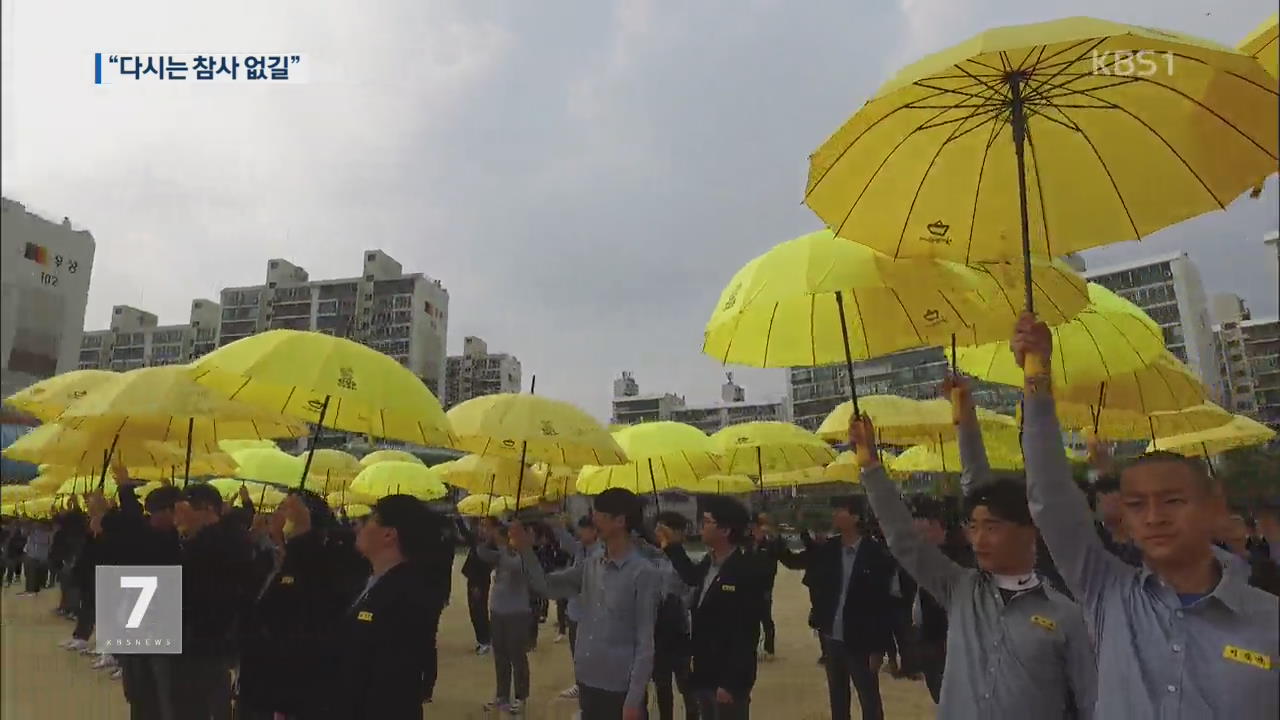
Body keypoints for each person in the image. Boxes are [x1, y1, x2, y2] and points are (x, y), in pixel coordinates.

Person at [1015, 313, 1280, 718]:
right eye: (1137, 505)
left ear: (1214, 506)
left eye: (1173, 500)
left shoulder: (1268, 620)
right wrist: (1036, 379)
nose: (1154, 517)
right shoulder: (1107, 592)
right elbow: (1051, 499)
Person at [856, 372, 1097, 718]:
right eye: (973, 527)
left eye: (992, 527)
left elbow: (1091, 703)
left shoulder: (1066, 616)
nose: (979, 539)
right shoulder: (961, 589)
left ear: (1029, 531)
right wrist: (871, 469)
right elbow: (904, 539)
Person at [519, 488, 659, 720]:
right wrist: (525, 548)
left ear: (620, 521)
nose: (593, 520)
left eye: (599, 515)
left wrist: (634, 700)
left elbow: (645, 642)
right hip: (588, 679)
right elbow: (546, 586)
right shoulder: (591, 563)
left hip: (620, 688)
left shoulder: (643, 573)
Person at [776, 495, 895, 720]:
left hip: (862, 640)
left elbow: (882, 605)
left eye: (840, 510)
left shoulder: (875, 554)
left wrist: (879, 648)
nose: (834, 514)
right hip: (832, 637)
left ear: (855, 516)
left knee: (869, 698)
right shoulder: (829, 549)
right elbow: (796, 562)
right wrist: (775, 541)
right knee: (838, 698)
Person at [237, 491, 351, 719]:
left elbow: (297, 610)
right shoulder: (269, 555)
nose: (276, 515)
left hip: (291, 678)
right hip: (259, 673)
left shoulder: (319, 560)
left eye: (285, 508)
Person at [333, 494, 441, 719]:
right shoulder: (370, 582)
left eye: (371, 518)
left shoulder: (407, 595)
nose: (361, 525)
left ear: (389, 534)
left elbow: (392, 685)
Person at [659, 495, 764, 720]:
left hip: (727, 679)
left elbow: (746, 634)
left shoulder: (745, 571)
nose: (701, 527)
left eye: (706, 521)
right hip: (705, 670)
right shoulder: (710, 562)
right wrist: (672, 546)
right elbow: (691, 576)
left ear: (725, 530)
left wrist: (730, 682)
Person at [476, 520, 537, 715]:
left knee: (517, 655)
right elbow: (481, 554)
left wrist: (504, 545)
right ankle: (502, 695)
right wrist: (486, 539)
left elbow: (514, 566)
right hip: (497, 610)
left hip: (517, 612)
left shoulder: (522, 554)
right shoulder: (500, 553)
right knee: (500, 655)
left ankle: (521, 697)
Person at [548, 514, 601, 701]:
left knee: (590, 655)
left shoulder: (599, 553)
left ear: (595, 531)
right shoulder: (581, 549)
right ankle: (581, 686)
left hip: (590, 614)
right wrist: (559, 525)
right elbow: (566, 541)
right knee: (577, 654)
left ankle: (590, 691)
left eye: (584, 530)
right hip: (575, 611)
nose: (580, 533)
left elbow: (578, 573)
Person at [652, 511, 698, 720]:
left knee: (686, 682)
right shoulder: (652, 558)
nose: (660, 534)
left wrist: (675, 604)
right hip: (656, 630)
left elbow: (692, 593)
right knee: (661, 684)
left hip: (679, 629)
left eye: (665, 531)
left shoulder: (687, 561)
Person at [745, 512, 782, 661]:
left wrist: (773, 533)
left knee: (766, 619)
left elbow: (780, 550)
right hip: (748, 587)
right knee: (748, 619)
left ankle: (769, 648)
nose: (755, 531)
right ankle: (750, 648)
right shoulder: (747, 544)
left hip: (764, 587)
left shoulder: (770, 545)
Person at [458, 517, 494, 655]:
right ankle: (483, 639)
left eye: (484, 526)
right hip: (474, 578)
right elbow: (467, 536)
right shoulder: (478, 541)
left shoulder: (488, 545)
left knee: (479, 611)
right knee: (475, 611)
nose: (481, 529)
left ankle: (485, 640)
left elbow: (486, 565)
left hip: (480, 580)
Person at [18, 519, 52, 595]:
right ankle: (38, 587)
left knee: (31, 573)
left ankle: (30, 590)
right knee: (37, 572)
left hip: (33, 555)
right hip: (41, 556)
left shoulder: (36, 533)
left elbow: (25, 534)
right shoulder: (46, 533)